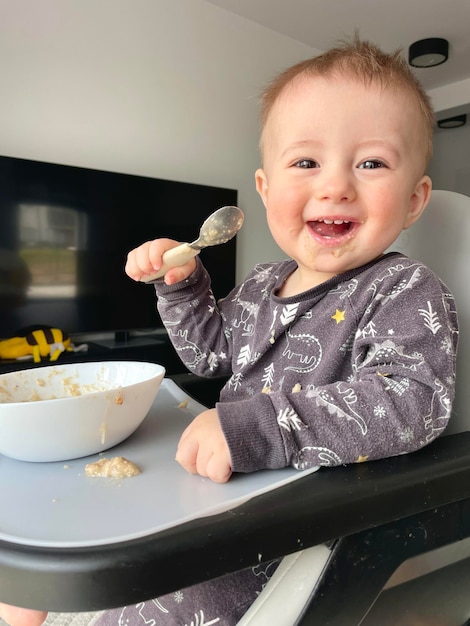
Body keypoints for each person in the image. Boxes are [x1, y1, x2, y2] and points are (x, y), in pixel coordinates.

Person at [1, 36, 459, 626]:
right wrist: (183, 284)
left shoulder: (404, 290)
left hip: (280, 524)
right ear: (266, 190)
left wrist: (258, 427)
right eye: (306, 162)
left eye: (371, 162)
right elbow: (210, 353)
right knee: (54, 552)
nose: (336, 185)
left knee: (144, 594)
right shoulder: (264, 281)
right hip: (216, 484)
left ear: (416, 199)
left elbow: (414, 402)